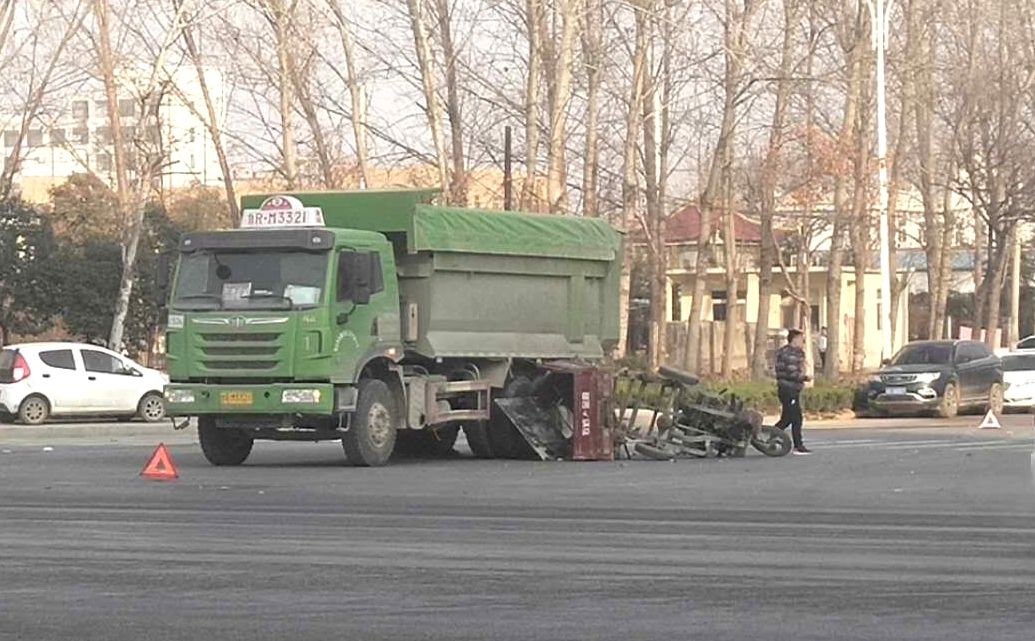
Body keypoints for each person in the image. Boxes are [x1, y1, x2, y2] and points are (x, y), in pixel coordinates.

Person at [774, 329, 811, 455]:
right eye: (801, 339)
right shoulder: (791, 354)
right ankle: (798, 445)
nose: (803, 341)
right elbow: (792, 372)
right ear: (794, 339)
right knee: (796, 418)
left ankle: (770, 436)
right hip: (789, 389)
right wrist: (805, 378)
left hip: (788, 388)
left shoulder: (787, 351)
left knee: (787, 418)